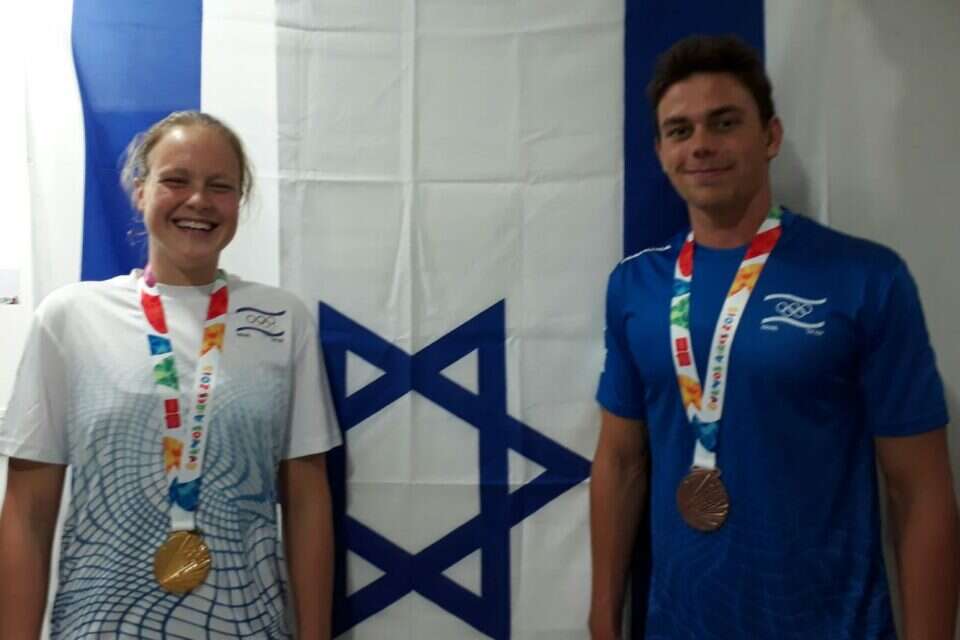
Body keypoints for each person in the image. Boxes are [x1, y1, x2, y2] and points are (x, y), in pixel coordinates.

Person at [589, 35, 959, 639]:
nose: (701, 144)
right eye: (680, 131)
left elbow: (919, 490)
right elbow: (621, 461)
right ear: (660, 152)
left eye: (724, 122)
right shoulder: (635, 287)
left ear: (770, 136)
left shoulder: (866, 278)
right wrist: (603, 619)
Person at [0, 111, 341, 639]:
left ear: (239, 201)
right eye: (176, 180)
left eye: (220, 186)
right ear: (141, 191)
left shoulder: (281, 320)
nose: (198, 200)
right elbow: (28, 510)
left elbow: (307, 502)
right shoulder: (70, 318)